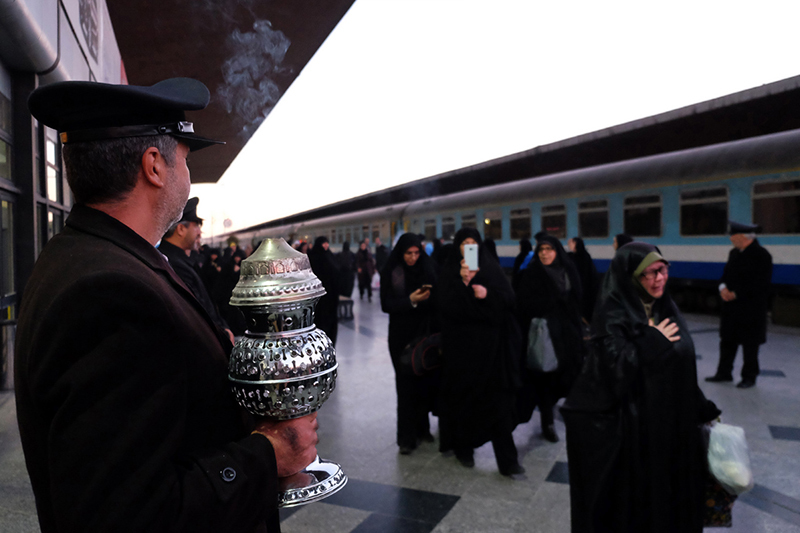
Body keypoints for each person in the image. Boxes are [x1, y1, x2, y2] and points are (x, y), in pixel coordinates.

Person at [15, 78, 318, 532]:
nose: (187, 172)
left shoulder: (87, 258)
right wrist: (265, 455)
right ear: (154, 165)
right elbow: (125, 512)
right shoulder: (110, 292)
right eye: (185, 156)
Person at [561, 242, 721, 533]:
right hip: (635, 433)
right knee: (640, 506)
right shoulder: (612, 315)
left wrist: (701, 406)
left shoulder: (666, 309)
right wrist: (652, 341)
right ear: (630, 277)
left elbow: (680, 366)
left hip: (671, 428)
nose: (658, 279)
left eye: (662, 270)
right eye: (648, 274)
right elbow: (616, 370)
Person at [437, 228, 524, 476]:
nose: (468, 247)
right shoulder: (450, 271)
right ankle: (464, 449)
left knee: (497, 404)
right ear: (457, 247)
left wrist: (487, 294)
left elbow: (509, 300)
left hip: (492, 350)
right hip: (462, 351)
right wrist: (464, 283)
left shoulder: (491, 268)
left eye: (473, 243)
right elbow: (446, 307)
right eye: (464, 243)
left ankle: (508, 461)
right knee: (465, 400)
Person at [516, 234, 584, 443]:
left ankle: (567, 409)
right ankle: (548, 421)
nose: (545, 253)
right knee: (545, 376)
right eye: (541, 249)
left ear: (557, 251)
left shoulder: (568, 269)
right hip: (544, 333)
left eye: (549, 249)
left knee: (568, 372)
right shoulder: (531, 273)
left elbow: (579, 297)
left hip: (568, 333)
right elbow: (524, 304)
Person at [379, 233, 438, 454]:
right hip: (401, 337)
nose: (413, 257)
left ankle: (423, 429)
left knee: (424, 381)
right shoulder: (391, 270)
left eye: (416, 253)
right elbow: (386, 304)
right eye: (408, 253)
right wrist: (411, 301)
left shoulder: (428, 266)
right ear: (400, 253)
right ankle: (406, 438)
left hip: (424, 335)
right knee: (405, 387)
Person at [706, 220, 773, 388]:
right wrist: (722, 288)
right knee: (727, 340)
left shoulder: (762, 255)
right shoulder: (734, 254)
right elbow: (725, 275)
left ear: (744, 237)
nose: (731, 239)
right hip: (732, 307)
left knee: (750, 345)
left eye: (733, 236)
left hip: (751, 308)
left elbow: (760, 283)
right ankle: (724, 372)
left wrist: (736, 293)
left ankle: (749, 377)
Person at [158, 197, 234, 344]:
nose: (200, 233)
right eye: (196, 226)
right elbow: (198, 310)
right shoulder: (174, 263)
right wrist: (222, 333)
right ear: (181, 229)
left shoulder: (179, 259)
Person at [308, 236, 341, 345]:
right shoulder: (314, 258)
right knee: (321, 322)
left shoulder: (330, 256)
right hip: (320, 298)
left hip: (331, 296)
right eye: (323, 243)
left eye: (327, 243)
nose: (326, 245)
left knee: (331, 323)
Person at [567, 236, 600, 323]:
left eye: (571, 243)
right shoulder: (577, 256)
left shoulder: (581, 257)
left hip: (584, 289)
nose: (569, 245)